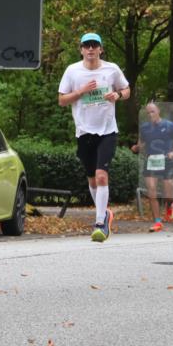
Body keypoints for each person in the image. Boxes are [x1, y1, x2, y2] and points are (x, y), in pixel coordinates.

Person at [57, 32, 130, 242]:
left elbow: (126, 90)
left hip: (107, 130)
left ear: (100, 49)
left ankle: (100, 223)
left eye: (94, 45)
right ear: (81, 50)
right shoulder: (72, 71)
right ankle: (104, 213)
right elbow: (62, 100)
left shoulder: (111, 69)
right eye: (86, 45)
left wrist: (117, 95)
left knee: (101, 176)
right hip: (84, 131)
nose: (90, 49)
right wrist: (81, 91)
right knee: (92, 179)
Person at [131, 101, 173, 231]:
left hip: (166, 160)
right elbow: (141, 144)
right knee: (152, 192)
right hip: (151, 161)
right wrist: (136, 148)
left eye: (152, 111)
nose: (150, 115)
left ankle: (169, 205)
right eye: (148, 113)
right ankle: (157, 222)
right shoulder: (144, 128)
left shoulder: (169, 125)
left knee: (169, 195)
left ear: (158, 111)